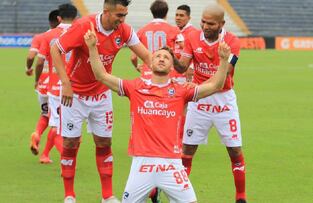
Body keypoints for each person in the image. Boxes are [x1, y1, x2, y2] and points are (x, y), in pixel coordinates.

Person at [84, 21, 232, 203]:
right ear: (150, 63)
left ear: (172, 67)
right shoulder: (135, 87)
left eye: (166, 57)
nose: (161, 58)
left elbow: (215, 85)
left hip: (171, 164)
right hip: (142, 164)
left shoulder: (181, 91)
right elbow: (101, 75)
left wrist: (224, 60)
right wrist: (92, 48)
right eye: (158, 56)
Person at [50, 0, 151, 202]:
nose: (122, 20)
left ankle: (107, 196)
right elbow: (55, 49)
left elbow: (147, 56)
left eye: (125, 15)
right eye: (119, 16)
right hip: (75, 95)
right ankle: (69, 195)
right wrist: (65, 83)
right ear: (106, 12)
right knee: (70, 143)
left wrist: (162, 74)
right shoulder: (83, 27)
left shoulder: (123, 30)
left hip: (102, 94)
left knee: (104, 142)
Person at [176, 5, 247, 203]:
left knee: (234, 149)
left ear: (221, 24)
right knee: (187, 150)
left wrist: (195, 88)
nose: (206, 26)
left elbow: (222, 76)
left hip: (223, 100)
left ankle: (241, 197)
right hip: (199, 101)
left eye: (211, 23)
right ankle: (179, 195)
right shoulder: (192, 38)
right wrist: (171, 55)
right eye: (203, 22)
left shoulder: (232, 41)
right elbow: (182, 66)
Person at [35, 4, 78, 163]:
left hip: (55, 87)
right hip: (75, 86)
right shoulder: (79, 33)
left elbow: (39, 62)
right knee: (72, 128)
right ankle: (63, 158)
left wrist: (37, 80)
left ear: (59, 18)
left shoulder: (48, 35)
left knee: (55, 125)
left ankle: (64, 159)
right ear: (76, 18)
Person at [27, 9, 60, 156]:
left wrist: (28, 68)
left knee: (46, 113)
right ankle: (48, 154)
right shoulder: (61, 36)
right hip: (57, 83)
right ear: (60, 20)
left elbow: (31, 56)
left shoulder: (40, 37)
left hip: (42, 83)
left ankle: (37, 134)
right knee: (57, 121)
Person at [130, 0, 180, 80]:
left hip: (148, 73)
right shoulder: (174, 30)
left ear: (152, 12)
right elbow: (181, 52)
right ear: (166, 13)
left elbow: (133, 57)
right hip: (167, 74)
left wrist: (136, 66)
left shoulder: (141, 31)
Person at [174, 4, 198, 82]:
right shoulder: (173, 31)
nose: (178, 18)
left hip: (186, 76)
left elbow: (198, 53)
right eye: (176, 15)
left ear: (189, 18)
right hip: (173, 75)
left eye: (181, 16)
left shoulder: (193, 32)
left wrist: (191, 67)